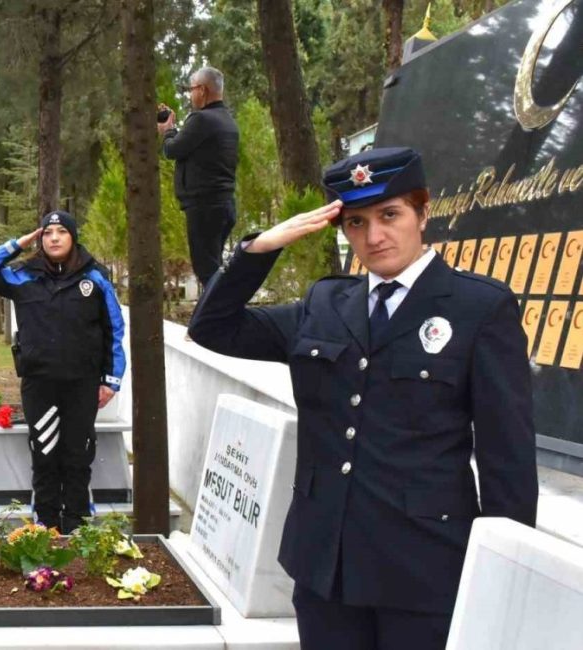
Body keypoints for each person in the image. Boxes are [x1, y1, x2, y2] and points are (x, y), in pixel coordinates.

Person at [187, 147, 538, 650]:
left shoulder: (479, 307)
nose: (373, 237)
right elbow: (211, 328)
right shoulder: (325, 303)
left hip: (425, 568)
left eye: (389, 215)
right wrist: (260, 248)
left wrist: (507, 572)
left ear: (423, 211)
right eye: (356, 222)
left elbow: (508, 455)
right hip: (325, 567)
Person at [0, 210, 126, 533]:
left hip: (83, 383)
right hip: (39, 383)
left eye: (61, 232)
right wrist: (16, 245)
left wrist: (111, 380)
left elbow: (113, 327)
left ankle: (78, 522)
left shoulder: (94, 276)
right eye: (48, 232)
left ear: (73, 237)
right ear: (40, 239)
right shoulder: (23, 275)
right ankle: (46, 523)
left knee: (77, 454)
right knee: (44, 452)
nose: (54, 237)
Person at [158, 66, 239, 289]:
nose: (190, 94)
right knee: (214, 269)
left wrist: (167, 131)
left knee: (208, 273)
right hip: (224, 206)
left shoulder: (202, 120)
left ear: (202, 90)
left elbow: (172, 150)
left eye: (191, 89)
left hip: (204, 208)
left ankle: (219, 321)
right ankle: (220, 319)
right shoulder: (227, 120)